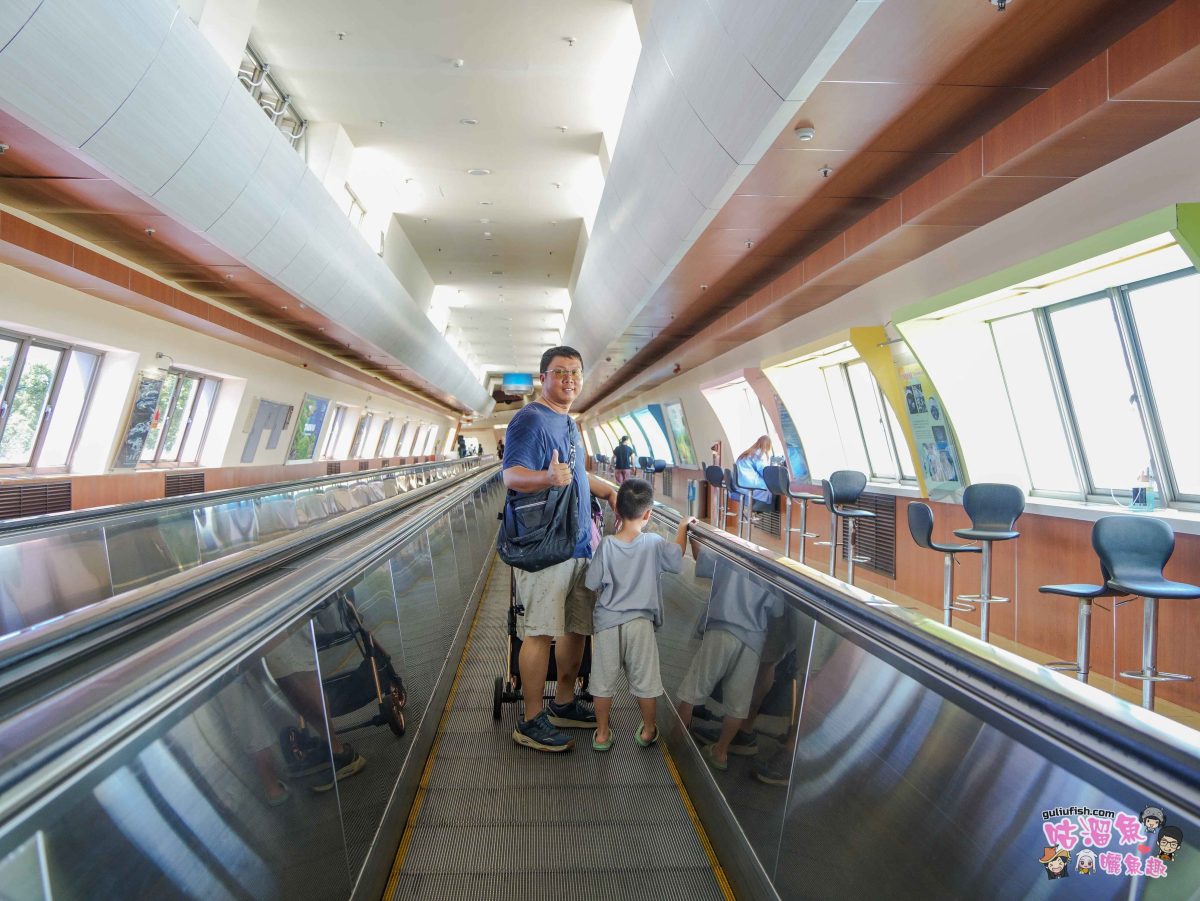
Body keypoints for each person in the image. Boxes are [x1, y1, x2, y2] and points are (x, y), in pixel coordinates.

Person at [503, 346, 618, 752]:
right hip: (545, 545)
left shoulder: (568, 422)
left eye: (575, 372)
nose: (569, 378)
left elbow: (577, 472)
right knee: (538, 631)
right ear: (543, 378)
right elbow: (511, 475)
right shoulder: (530, 419)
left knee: (575, 627)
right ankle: (532, 718)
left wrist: (610, 492)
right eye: (560, 372)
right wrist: (546, 478)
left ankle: (564, 703)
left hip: (579, 543)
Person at [584, 478, 693, 751]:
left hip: (608, 622)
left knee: (602, 680)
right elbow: (677, 557)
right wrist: (682, 529)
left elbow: (592, 582)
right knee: (646, 680)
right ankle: (648, 730)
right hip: (640, 624)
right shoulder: (654, 542)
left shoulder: (607, 545)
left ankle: (601, 733)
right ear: (648, 514)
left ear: (617, 512)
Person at [734, 436, 774, 514]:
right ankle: (756, 509)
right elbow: (763, 471)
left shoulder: (747, 453)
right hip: (750, 483)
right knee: (770, 487)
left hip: (739, 483)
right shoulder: (759, 453)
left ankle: (752, 508)